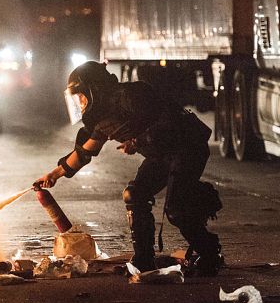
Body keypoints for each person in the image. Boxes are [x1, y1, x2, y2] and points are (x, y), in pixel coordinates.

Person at [34, 61, 223, 275]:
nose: (80, 103)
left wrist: (138, 142)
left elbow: (170, 122)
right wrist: (54, 175)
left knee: (176, 209)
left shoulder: (133, 95)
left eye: (82, 96)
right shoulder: (102, 120)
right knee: (134, 194)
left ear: (94, 89)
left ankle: (209, 253)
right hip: (160, 156)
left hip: (187, 149)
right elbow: (84, 153)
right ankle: (143, 260)